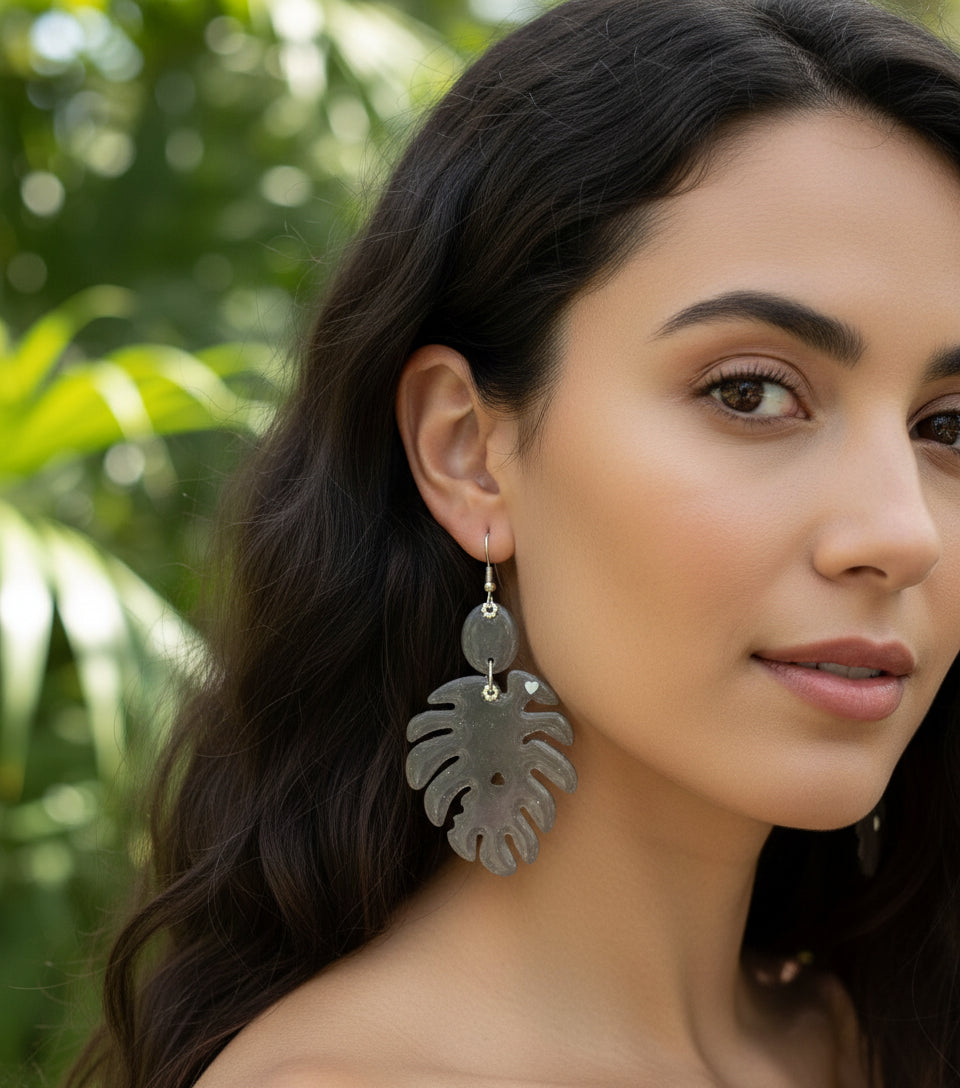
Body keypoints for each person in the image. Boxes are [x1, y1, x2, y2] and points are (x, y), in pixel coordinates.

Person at [66, 0, 960, 1084]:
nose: (902, 533)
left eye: (949, 427)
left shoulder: (863, 1035)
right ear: (468, 454)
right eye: (751, 392)